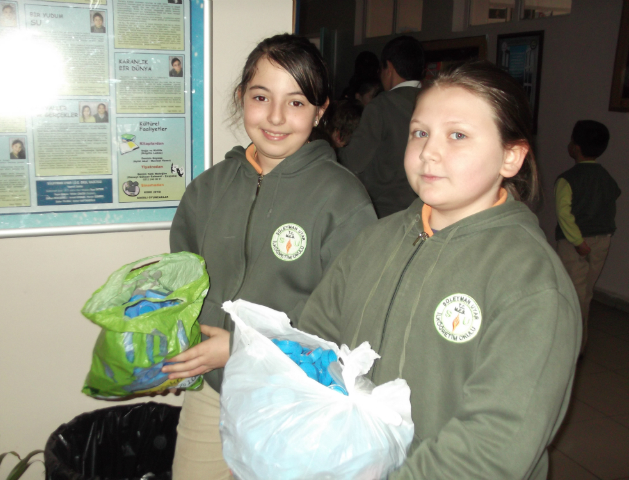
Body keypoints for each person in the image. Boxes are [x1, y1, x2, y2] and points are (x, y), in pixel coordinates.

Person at [298, 60, 581, 479]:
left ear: (511, 157)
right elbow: (312, 344)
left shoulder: (531, 282)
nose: (429, 150)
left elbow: (492, 447)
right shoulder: (374, 240)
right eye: (420, 132)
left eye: (458, 135)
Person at [164, 33, 377, 480]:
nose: (276, 117)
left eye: (297, 103)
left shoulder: (343, 199)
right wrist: (176, 343)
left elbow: (349, 325)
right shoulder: (207, 189)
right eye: (261, 97)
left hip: (295, 398)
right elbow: (182, 287)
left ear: (321, 111)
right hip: (212, 394)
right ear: (242, 97)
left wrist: (242, 349)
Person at [339, 35, 425, 218]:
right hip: (424, 209)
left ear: (389, 68)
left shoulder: (382, 106)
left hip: (385, 212)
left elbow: (354, 162)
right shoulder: (435, 100)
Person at [555, 120, 621, 355]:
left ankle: (571, 345)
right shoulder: (606, 177)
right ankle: (578, 342)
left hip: (575, 244)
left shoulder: (568, 179)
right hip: (602, 240)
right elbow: (612, 198)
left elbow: (564, 214)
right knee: (586, 292)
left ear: (576, 147)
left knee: (573, 294)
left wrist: (578, 242)